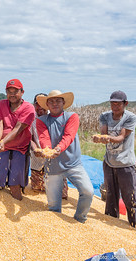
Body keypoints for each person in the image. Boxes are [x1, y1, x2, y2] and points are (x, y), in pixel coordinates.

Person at [35, 90, 93, 223]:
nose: (54, 104)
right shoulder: (41, 120)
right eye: (51, 101)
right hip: (52, 167)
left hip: (73, 164)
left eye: (58, 101)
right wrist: (47, 150)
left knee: (88, 191)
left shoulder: (72, 117)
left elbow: (69, 136)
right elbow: (44, 138)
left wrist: (58, 149)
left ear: (63, 103)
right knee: (54, 207)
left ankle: (80, 218)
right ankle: (57, 228)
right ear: (47, 105)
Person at [93, 90, 136, 230]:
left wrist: (106, 138)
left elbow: (121, 137)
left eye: (118, 104)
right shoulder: (104, 116)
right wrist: (100, 138)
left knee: (130, 198)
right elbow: (104, 133)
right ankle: (112, 227)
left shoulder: (130, 117)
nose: (115, 106)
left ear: (125, 104)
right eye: (112, 103)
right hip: (109, 162)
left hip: (126, 164)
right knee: (110, 195)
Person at [0, 79, 35, 200]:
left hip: (20, 148)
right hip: (2, 147)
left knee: (15, 185)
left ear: (22, 92)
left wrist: (3, 142)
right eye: (9, 91)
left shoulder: (28, 108)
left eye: (15, 91)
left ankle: (17, 197)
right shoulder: (0, 104)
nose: (12, 94)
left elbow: (18, 129)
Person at [30, 93, 69, 199]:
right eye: (37, 104)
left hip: (55, 160)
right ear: (34, 105)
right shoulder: (31, 120)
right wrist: (35, 149)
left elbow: (65, 139)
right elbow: (30, 138)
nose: (40, 108)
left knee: (62, 195)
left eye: (43, 105)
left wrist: (55, 151)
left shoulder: (56, 118)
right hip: (38, 160)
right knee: (37, 189)